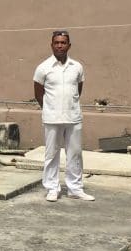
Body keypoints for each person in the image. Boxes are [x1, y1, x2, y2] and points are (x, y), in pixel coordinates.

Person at [33, 30, 95, 202]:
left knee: (75, 154)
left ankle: (75, 188)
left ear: (69, 45)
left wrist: (69, 106)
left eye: (63, 42)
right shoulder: (43, 68)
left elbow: (78, 90)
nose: (60, 45)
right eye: (56, 42)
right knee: (51, 154)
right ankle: (52, 188)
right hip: (52, 118)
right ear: (51, 45)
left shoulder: (77, 67)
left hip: (73, 117)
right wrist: (50, 109)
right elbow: (39, 94)